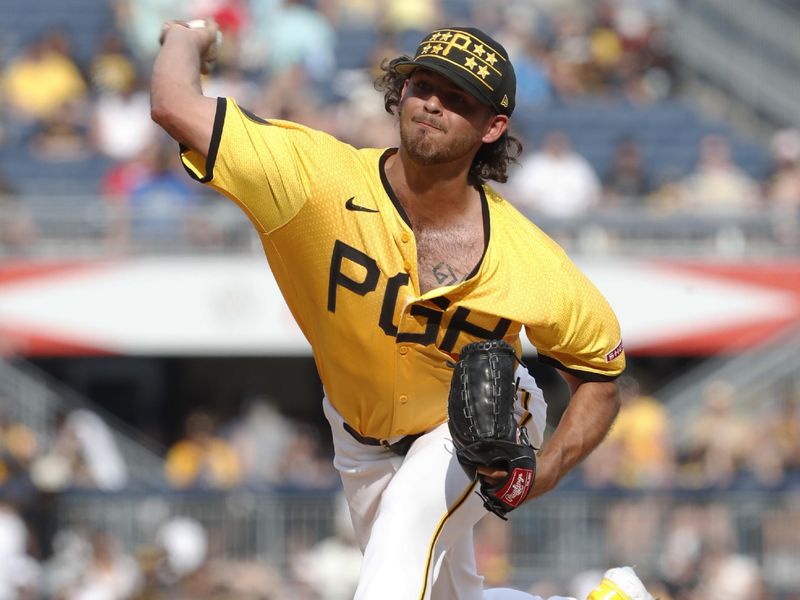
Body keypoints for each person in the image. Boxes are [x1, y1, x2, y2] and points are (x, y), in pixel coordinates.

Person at [151, 20, 625, 600]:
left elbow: (599, 377)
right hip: (359, 435)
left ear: (492, 127)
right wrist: (187, 37)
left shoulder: (530, 260)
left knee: (403, 535)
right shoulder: (314, 180)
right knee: (441, 590)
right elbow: (175, 105)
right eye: (424, 85)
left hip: (483, 423)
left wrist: (543, 472)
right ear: (401, 92)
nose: (432, 105)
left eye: (458, 100)